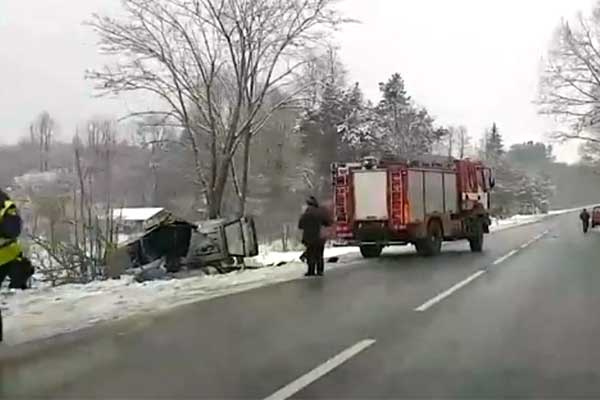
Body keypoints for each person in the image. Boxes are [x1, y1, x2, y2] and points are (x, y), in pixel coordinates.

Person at [298, 196, 332, 277]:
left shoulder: (305, 213)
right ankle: (320, 271)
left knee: (310, 255)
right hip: (320, 237)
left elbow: (300, 226)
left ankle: (311, 271)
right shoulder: (320, 212)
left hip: (309, 238)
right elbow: (328, 223)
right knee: (319, 255)